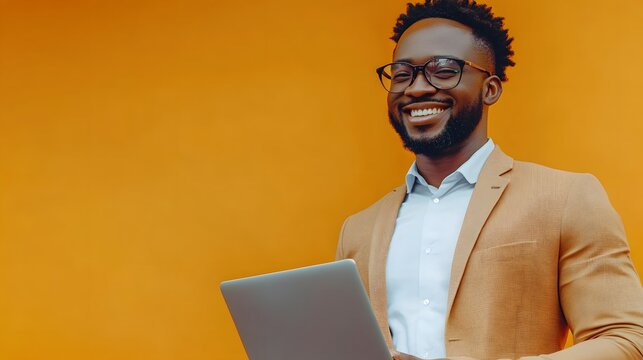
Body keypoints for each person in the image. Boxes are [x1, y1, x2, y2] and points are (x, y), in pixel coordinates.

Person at [334, 0, 643, 359]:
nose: (416, 88)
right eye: (402, 74)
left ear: (490, 88)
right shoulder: (357, 231)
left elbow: (627, 339)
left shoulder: (566, 198)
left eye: (444, 70)